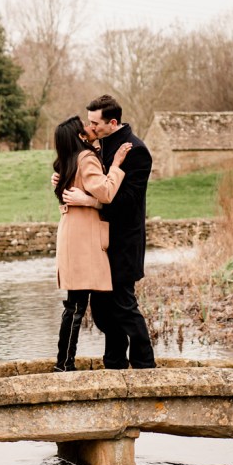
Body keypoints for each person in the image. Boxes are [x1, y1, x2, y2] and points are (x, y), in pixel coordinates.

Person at [65, 94, 156, 370]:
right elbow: (85, 176)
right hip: (99, 242)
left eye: (95, 123)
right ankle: (114, 364)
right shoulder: (98, 146)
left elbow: (128, 202)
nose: (90, 128)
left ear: (112, 122)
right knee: (103, 312)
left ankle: (144, 365)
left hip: (124, 242)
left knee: (124, 306)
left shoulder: (137, 151)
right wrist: (62, 177)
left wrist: (90, 201)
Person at [52, 115, 132, 371]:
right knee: (76, 305)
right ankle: (65, 365)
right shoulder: (85, 159)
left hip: (72, 234)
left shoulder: (69, 159)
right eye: (85, 127)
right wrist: (117, 164)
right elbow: (106, 192)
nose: (89, 127)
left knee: (76, 303)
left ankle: (66, 363)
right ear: (80, 136)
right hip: (83, 239)